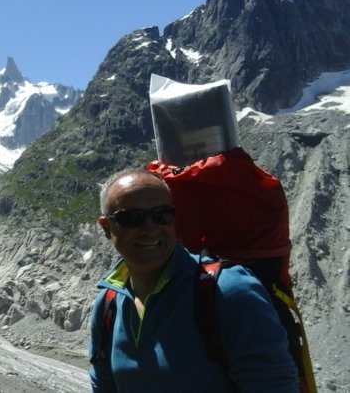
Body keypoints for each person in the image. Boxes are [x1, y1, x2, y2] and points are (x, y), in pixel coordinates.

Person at [88, 168, 298, 392]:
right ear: (106, 228)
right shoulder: (108, 304)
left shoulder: (228, 291)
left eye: (162, 215)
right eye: (132, 218)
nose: (150, 229)